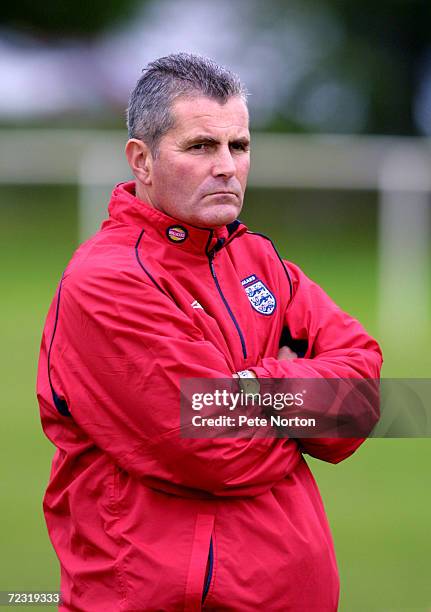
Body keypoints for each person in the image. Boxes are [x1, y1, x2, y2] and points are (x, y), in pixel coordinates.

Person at [37, 53, 382, 611]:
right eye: (200, 146)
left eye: (238, 146)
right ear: (141, 160)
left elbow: (364, 399)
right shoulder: (105, 283)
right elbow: (217, 447)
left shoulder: (258, 259)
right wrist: (304, 404)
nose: (226, 166)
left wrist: (253, 388)